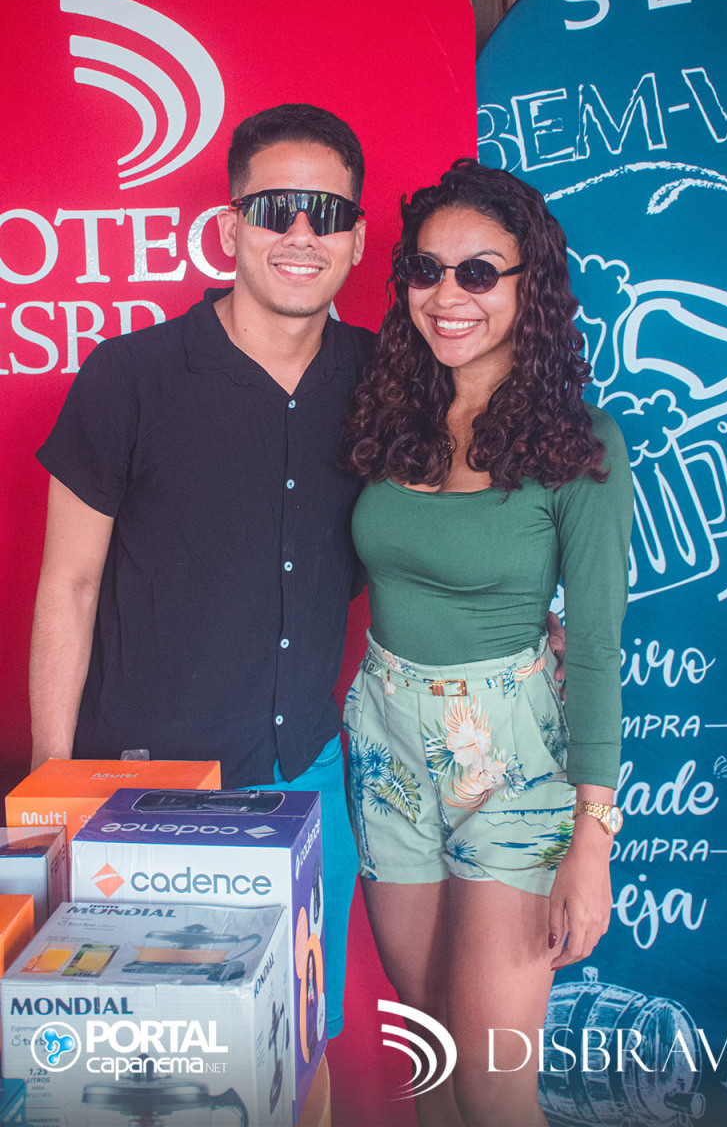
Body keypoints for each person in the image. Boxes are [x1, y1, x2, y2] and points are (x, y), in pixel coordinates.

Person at [28, 103, 372, 1038]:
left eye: (326, 213)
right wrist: (53, 792)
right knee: (156, 1065)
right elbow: (68, 586)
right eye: (274, 209)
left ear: (355, 238)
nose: (300, 234)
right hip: (146, 786)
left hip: (305, 774)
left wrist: (540, 614)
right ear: (229, 228)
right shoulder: (129, 376)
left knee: (300, 1050)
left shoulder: (382, 380)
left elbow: (469, 496)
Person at [340, 158, 633, 1126]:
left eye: (477, 273)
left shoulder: (580, 443)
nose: (446, 296)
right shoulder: (390, 414)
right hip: (384, 740)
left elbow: (595, 649)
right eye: (426, 271)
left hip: (509, 760)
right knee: (433, 1057)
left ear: (527, 286)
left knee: (491, 1082)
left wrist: (590, 839)